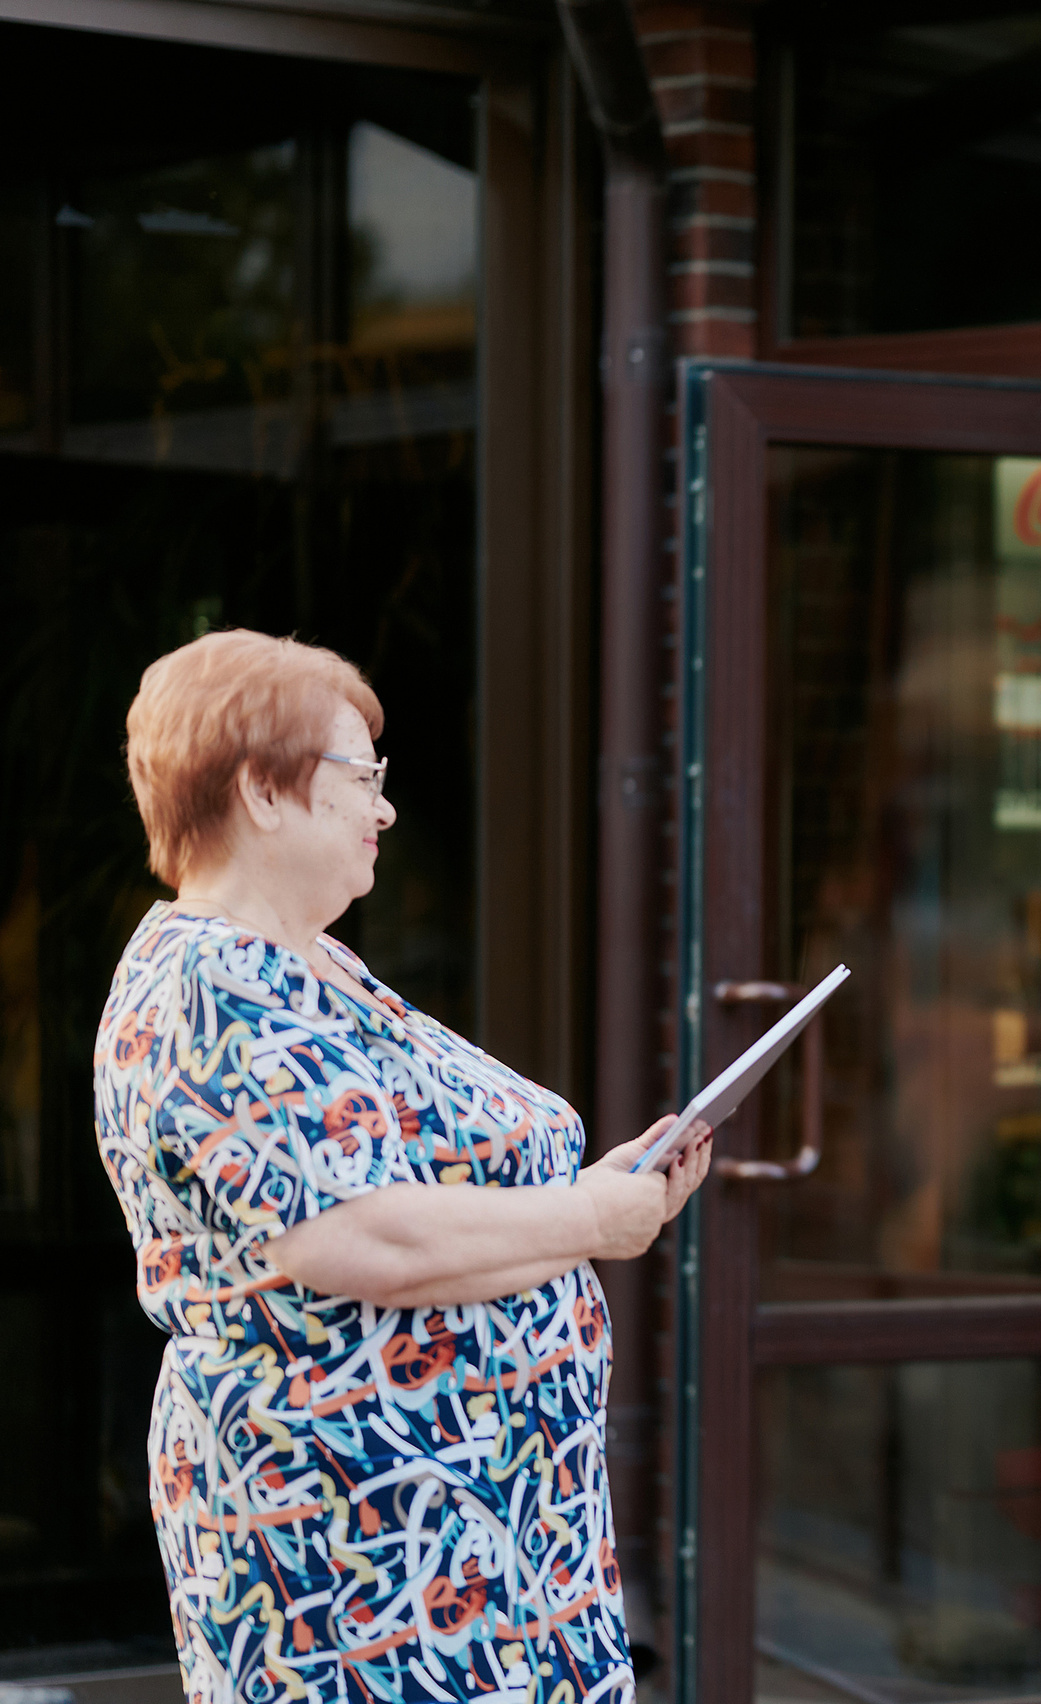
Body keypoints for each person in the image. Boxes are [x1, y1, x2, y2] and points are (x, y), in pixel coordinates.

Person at [94, 631, 713, 1704]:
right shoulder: (213, 983)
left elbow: (421, 1185)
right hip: (360, 1551)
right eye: (360, 776)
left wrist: (596, 1189)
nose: (383, 810)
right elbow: (359, 1236)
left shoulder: (309, 962)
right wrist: (588, 1220)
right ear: (261, 792)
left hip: (467, 1535)